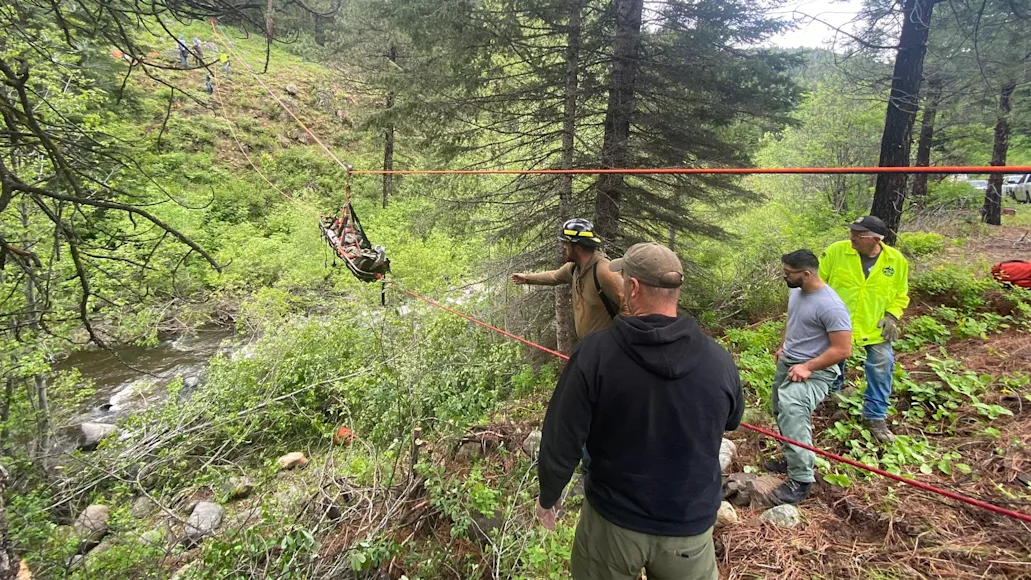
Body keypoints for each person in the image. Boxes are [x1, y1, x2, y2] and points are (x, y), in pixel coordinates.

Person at [536, 242, 744, 580]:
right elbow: (732, 420)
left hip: (613, 523)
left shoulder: (594, 355)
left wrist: (549, 495)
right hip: (688, 529)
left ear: (632, 288)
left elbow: (563, 436)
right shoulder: (718, 360)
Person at [768, 249, 852, 504]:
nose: (784, 277)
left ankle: (802, 479)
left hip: (816, 370)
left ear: (806, 274)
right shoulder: (796, 292)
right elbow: (793, 322)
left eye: (788, 273)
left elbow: (842, 349)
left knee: (792, 407)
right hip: (789, 362)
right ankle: (792, 455)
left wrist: (808, 367)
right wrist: (784, 346)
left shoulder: (831, 305)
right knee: (779, 408)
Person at [819, 216, 910, 443]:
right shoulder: (836, 252)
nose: (852, 238)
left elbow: (900, 294)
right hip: (837, 323)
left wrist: (892, 316)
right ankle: (832, 397)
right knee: (833, 361)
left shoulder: (896, 261)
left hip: (873, 325)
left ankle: (875, 416)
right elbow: (817, 283)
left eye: (859, 235)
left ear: (876, 239)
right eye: (852, 232)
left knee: (882, 367)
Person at [511, 218, 624, 342]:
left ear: (578, 248)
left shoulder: (604, 271)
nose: (563, 247)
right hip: (589, 350)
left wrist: (620, 340)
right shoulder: (574, 268)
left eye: (566, 244)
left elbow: (629, 304)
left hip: (607, 350)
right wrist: (526, 278)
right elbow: (554, 276)